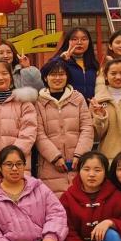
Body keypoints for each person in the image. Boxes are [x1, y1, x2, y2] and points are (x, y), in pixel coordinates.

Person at [34, 58, 94, 195]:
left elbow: (87, 128)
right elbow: (39, 134)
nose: (58, 78)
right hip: (50, 165)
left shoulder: (78, 98)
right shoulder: (38, 102)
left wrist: (80, 155)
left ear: (67, 77)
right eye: (53, 74)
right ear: (45, 77)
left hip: (78, 163)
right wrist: (55, 157)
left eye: (61, 74)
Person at [0, 60, 37, 181]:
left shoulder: (24, 103)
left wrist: (10, 158)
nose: (0, 77)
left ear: (11, 77)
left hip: (18, 165)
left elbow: (29, 133)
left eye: (4, 73)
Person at [54, 27, 98, 100]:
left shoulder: (93, 64)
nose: (79, 42)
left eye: (84, 39)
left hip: (91, 105)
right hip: (69, 105)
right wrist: (61, 59)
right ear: (67, 41)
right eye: (74, 39)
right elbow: (45, 73)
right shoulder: (60, 61)